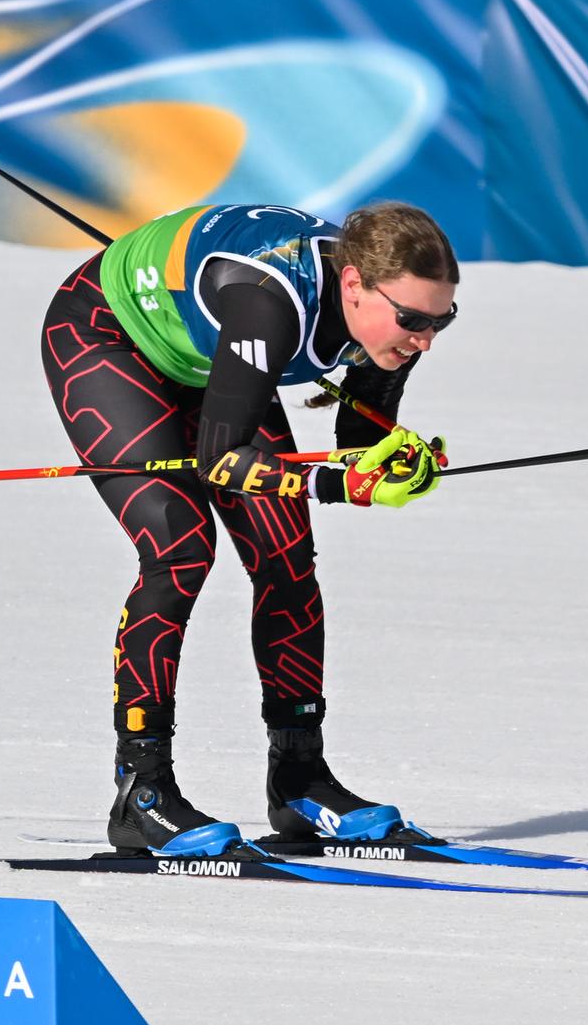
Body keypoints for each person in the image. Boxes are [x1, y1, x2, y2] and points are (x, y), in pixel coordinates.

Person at [41, 201, 457, 858]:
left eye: (443, 319)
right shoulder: (270, 303)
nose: (425, 340)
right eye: (412, 320)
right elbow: (222, 460)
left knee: (285, 553)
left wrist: (390, 463)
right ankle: (140, 791)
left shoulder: (392, 319)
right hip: (107, 339)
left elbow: (358, 441)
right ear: (353, 286)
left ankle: (299, 780)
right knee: (179, 549)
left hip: (213, 357)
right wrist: (334, 483)